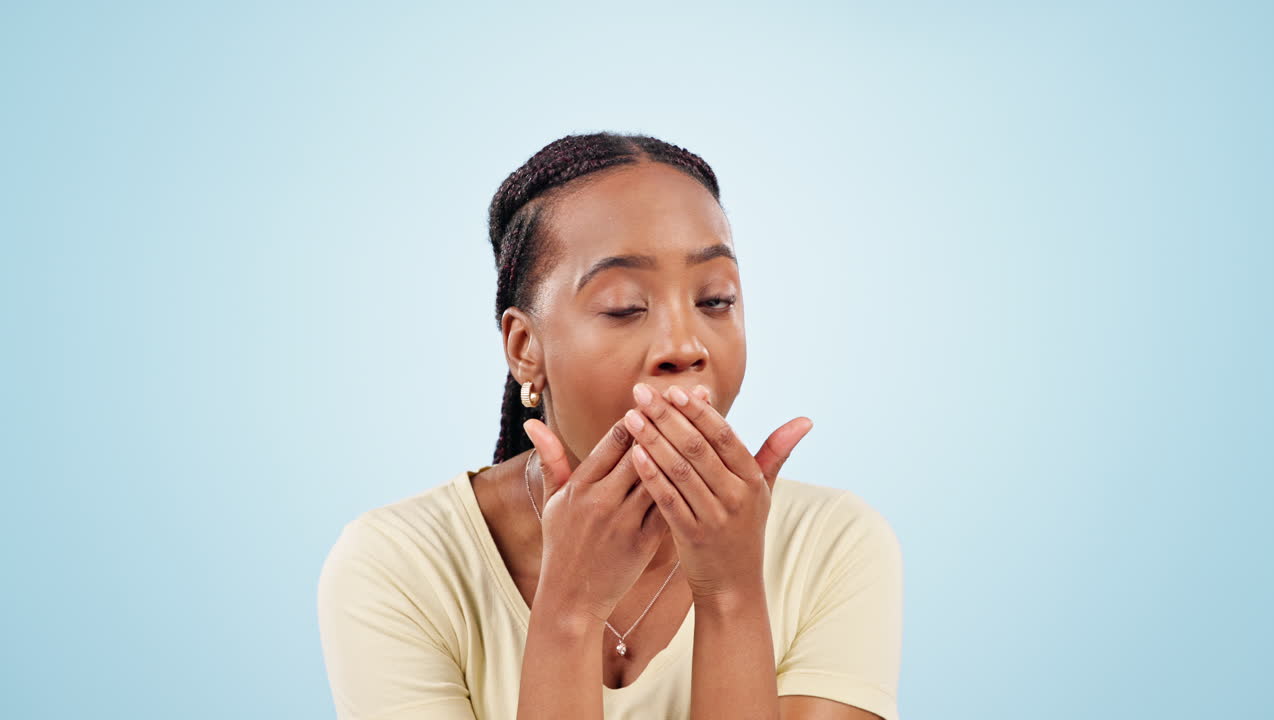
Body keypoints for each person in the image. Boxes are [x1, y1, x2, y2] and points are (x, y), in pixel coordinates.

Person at [317, 132, 903, 720]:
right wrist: (569, 613)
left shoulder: (835, 544)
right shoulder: (396, 567)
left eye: (715, 300)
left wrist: (731, 595)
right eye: (625, 307)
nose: (684, 345)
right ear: (525, 348)